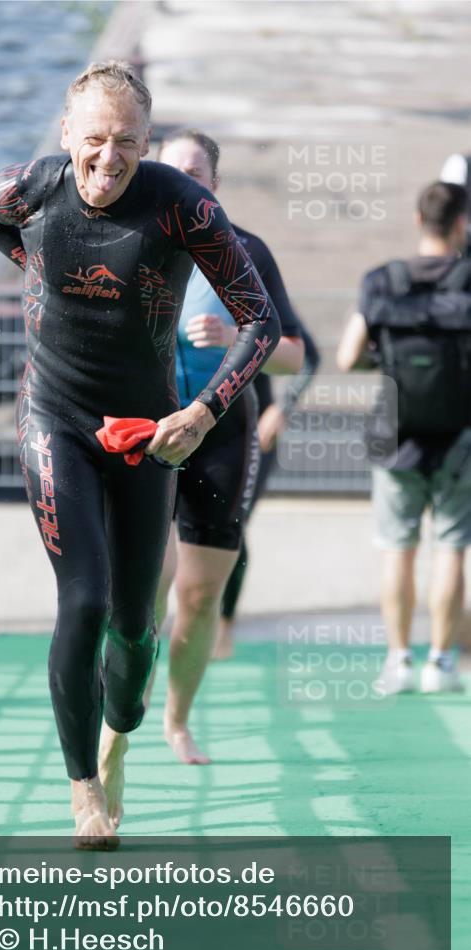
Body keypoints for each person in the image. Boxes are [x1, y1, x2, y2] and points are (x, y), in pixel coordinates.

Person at [0, 61, 282, 849]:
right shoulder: (29, 189)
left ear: (147, 143)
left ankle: (120, 739)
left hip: (148, 431)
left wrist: (203, 411)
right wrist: (32, 265)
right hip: (54, 417)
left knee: (136, 629)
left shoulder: (181, 206)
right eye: (96, 141)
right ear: (67, 133)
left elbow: (260, 320)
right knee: (84, 600)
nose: (110, 160)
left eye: (129, 145)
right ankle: (82, 792)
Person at [144, 128, 305, 764]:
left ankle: (177, 721)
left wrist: (243, 334)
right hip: (146, 434)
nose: (183, 183)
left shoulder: (247, 253)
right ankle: (125, 697)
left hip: (221, 433)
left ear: (214, 185)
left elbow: (292, 355)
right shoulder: (134, 243)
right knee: (146, 584)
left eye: (195, 174)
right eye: (171, 172)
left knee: (200, 592)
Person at [337, 180, 471, 695]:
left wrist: (387, 358)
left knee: (398, 549)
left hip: (394, 436)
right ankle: (441, 663)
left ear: (419, 221)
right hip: (460, 438)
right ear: (461, 223)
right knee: (453, 548)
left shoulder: (381, 280)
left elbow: (348, 357)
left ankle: (399, 662)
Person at [213, 309, 320, 661]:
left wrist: (283, 408)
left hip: (252, 431)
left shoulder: (252, 291)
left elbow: (310, 355)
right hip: (193, 429)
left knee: (232, 526)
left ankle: (224, 625)